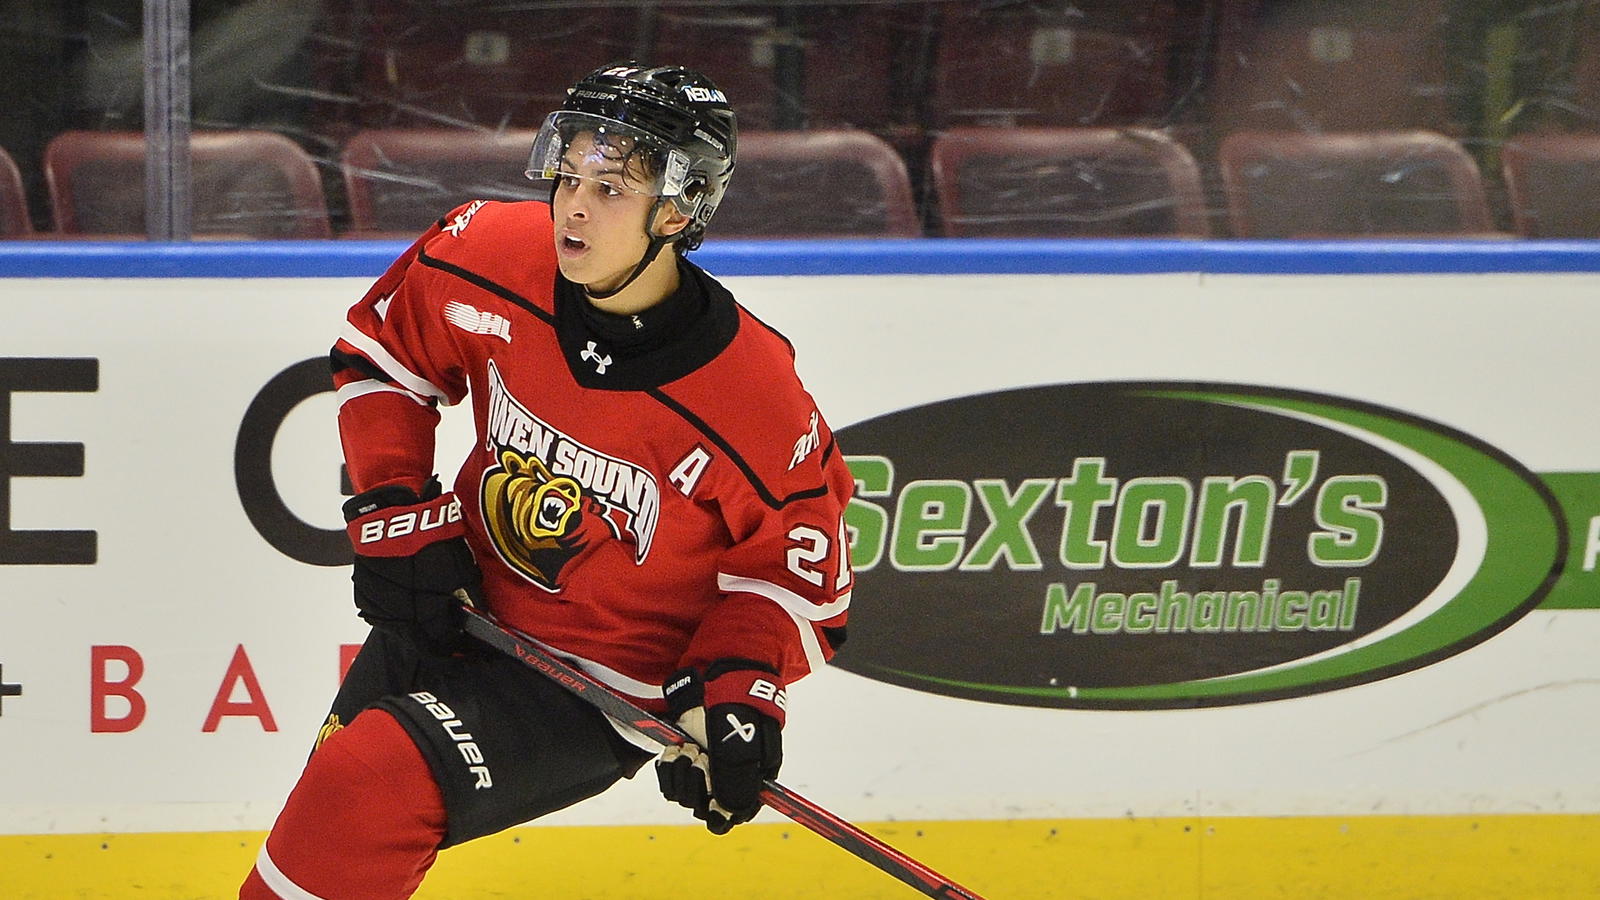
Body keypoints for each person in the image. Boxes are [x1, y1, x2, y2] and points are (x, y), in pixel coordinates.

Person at [240, 62, 854, 899]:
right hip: (456, 605)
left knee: (368, 780)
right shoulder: (488, 254)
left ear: (678, 210)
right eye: (569, 177)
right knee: (329, 824)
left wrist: (736, 688)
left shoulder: (753, 394)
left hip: (597, 688)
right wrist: (395, 509)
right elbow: (383, 356)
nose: (573, 206)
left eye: (610, 189)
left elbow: (798, 577)